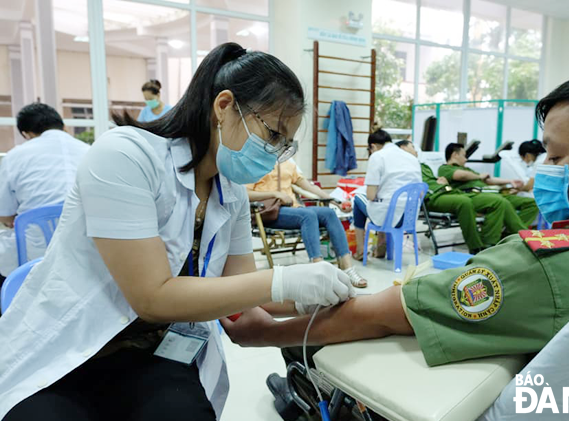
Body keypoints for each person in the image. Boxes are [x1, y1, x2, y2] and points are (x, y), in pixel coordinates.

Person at [221, 60, 569, 384]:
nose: (545, 168)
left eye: (557, 156)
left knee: (341, 215)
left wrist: (263, 331)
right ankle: (336, 264)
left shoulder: (547, 264)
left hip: (365, 224)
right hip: (402, 216)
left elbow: (377, 315)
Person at [0, 43, 355, 421]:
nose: (273, 151)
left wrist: (313, 295)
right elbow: (152, 297)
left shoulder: (229, 192)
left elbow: (243, 289)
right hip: (71, 351)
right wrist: (285, 280)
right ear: (223, 106)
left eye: (284, 144)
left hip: (153, 352)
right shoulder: (125, 156)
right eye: (272, 134)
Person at [0, 103, 90, 279]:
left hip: (34, 255)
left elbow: (4, 214)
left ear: (26, 134)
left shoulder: (15, 156)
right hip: (88, 248)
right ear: (64, 126)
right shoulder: (89, 150)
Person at [246, 160, 368, 288]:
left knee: (329, 213)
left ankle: (347, 268)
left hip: (293, 209)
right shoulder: (256, 163)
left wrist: (336, 202)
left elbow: (310, 187)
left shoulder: (288, 163)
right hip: (268, 212)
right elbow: (246, 193)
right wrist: (275, 194)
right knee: (308, 215)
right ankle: (319, 270)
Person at [397, 140, 531, 254]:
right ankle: (477, 247)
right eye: (412, 147)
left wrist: (441, 181)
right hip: (432, 196)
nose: (416, 150)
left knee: (500, 202)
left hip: (448, 192)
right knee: (468, 201)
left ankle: (497, 241)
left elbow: (433, 179)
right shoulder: (405, 166)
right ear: (403, 148)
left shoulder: (422, 165)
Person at [352, 129, 422, 260]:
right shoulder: (412, 158)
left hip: (387, 216)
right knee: (387, 202)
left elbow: (371, 195)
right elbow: (420, 192)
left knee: (358, 199)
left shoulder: (377, 156)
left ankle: (361, 250)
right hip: (409, 216)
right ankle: (380, 244)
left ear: (372, 146)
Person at [439, 143, 539, 228]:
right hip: (475, 196)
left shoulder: (468, 170)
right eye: (464, 156)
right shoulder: (445, 168)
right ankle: (518, 233)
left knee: (532, 203)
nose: (465, 159)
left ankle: (508, 233)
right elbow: (461, 176)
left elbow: (488, 179)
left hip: (492, 193)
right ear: (455, 155)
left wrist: (510, 181)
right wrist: (478, 176)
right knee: (501, 203)